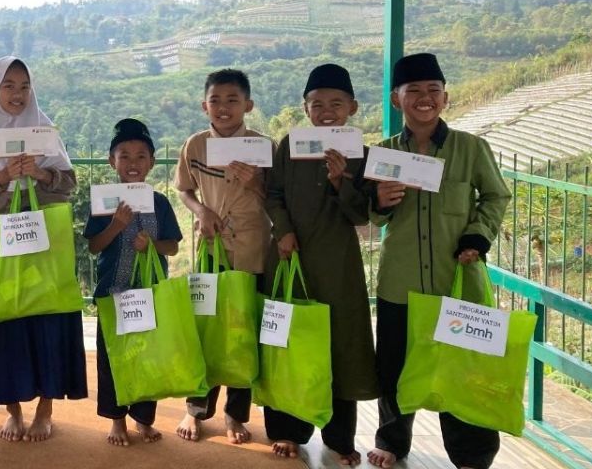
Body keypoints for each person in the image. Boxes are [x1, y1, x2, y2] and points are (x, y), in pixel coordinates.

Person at [366, 53, 509, 469]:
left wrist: (477, 235)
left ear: (445, 97)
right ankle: (391, 441)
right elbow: (374, 217)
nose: (424, 98)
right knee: (394, 368)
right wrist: (380, 200)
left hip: (456, 281)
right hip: (401, 282)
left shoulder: (471, 148)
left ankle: (472, 454)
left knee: (463, 368)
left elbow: (496, 196)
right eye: (413, 91)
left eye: (433, 90)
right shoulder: (383, 153)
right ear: (396, 99)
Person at [0, 56, 87, 442]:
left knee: (48, 319)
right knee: (7, 321)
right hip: (4, 243)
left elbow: (69, 183)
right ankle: (13, 410)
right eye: (9, 86)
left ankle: (45, 409)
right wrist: (3, 176)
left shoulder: (42, 127)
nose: (18, 94)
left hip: (44, 242)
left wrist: (40, 172)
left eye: (24, 86)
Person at [263, 63, 377, 465]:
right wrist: (283, 231)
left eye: (336, 104)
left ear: (352, 108)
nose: (326, 112)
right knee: (289, 341)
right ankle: (288, 432)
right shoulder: (290, 145)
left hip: (338, 265)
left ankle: (339, 439)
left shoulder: (362, 153)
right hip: (289, 257)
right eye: (317, 104)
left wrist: (340, 181)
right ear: (305, 108)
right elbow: (273, 194)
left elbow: (362, 214)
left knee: (338, 346)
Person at [173, 68, 271, 444]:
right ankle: (196, 409)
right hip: (212, 248)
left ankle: (235, 414)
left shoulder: (265, 147)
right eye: (216, 100)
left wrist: (255, 182)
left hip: (252, 248)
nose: (224, 107)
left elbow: (276, 199)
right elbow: (184, 190)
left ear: (248, 105)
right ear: (205, 106)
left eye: (233, 100)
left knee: (243, 331)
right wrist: (202, 211)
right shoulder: (195, 145)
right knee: (207, 329)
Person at [84, 118, 182, 447]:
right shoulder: (103, 201)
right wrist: (115, 225)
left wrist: (152, 245)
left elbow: (173, 246)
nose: (132, 162)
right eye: (123, 155)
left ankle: (143, 419)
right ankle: (117, 420)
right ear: (111, 161)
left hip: (150, 296)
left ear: (152, 162)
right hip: (113, 294)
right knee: (113, 358)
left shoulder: (160, 202)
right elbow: (94, 246)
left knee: (148, 356)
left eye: (141, 156)